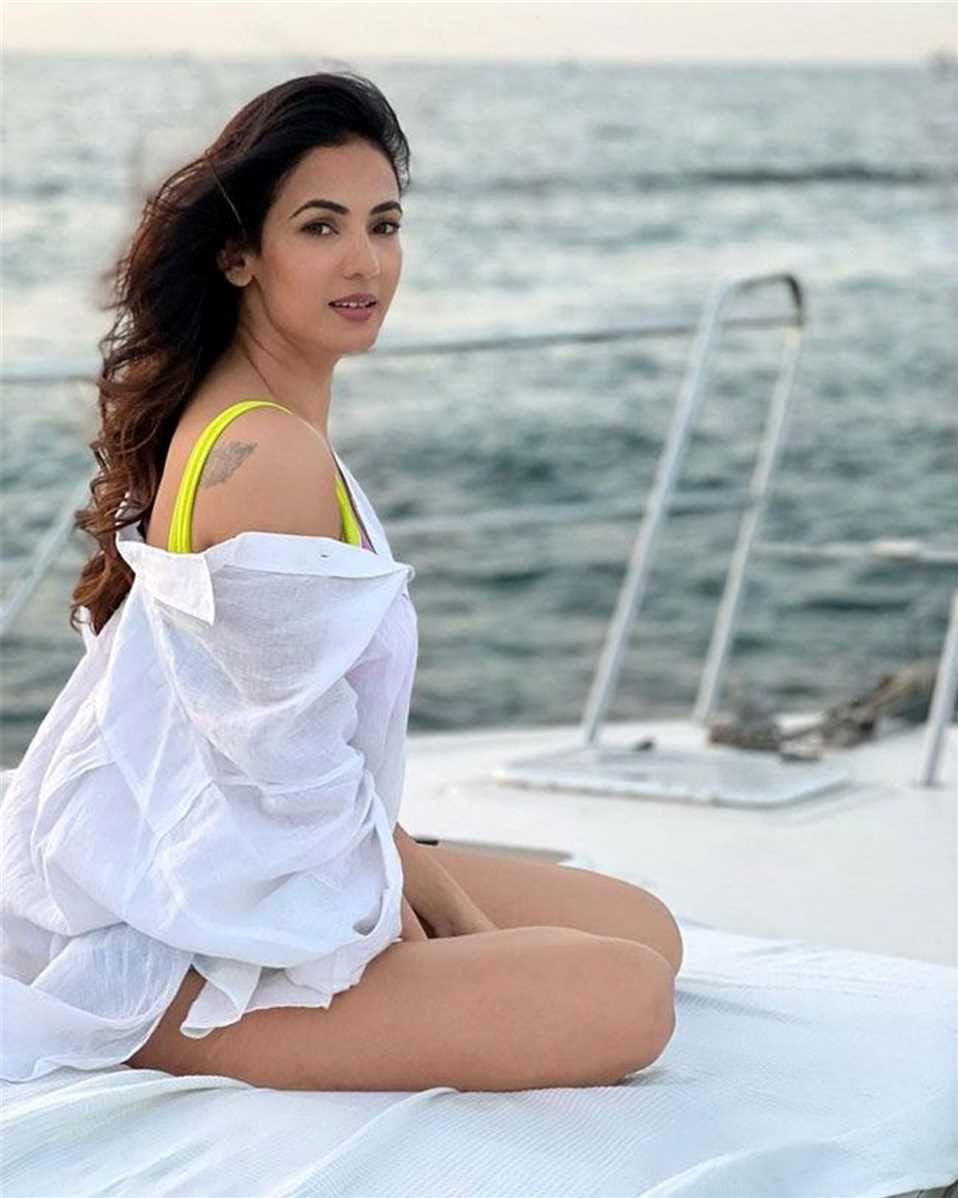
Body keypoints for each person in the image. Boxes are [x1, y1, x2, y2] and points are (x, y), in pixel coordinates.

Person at [1, 71, 681, 1093]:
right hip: (200, 935)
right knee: (626, 997)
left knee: (644, 928)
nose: (365, 261)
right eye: (320, 227)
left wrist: (423, 883)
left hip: (246, 859)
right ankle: (147, 1024)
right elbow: (290, 782)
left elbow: (284, 744)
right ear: (240, 254)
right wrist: (419, 916)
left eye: (383, 224)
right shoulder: (267, 454)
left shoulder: (260, 421)